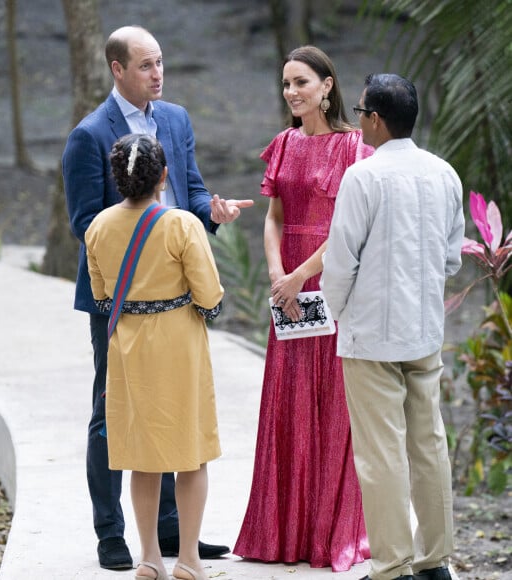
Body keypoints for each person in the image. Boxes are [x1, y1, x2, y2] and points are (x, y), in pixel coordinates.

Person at [63, 25, 252, 570]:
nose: (158, 74)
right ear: (117, 69)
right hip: (118, 300)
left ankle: (171, 535)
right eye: (145, 65)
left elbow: (189, 192)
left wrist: (208, 216)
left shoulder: (176, 120)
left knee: (172, 410)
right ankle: (111, 533)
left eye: (161, 62)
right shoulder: (89, 136)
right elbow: (84, 223)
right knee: (112, 412)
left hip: (177, 291)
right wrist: (141, 257)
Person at [233, 46, 372, 571]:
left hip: (327, 284)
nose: (291, 92)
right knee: (288, 398)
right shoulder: (285, 143)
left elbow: (346, 229)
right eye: (286, 83)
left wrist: (299, 275)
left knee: (332, 401)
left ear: (327, 86)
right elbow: (274, 216)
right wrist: (276, 273)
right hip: (287, 288)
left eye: (301, 83)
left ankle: (328, 533)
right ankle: (281, 533)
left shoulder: (354, 148)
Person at [321, 74, 464, 580]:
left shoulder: (364, 177)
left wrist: (338, 315)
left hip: (371, 336)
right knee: (428, 443)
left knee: (381, 453)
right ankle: (435, 562)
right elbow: (451, 262)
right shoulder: (445, 174)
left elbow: (340, 264)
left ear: (374, 120)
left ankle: (392, 567)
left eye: (359, 112)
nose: (358, 120)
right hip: (424, 331)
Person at [85, 133, 223, 580]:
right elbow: (210, 295)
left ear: (116, 178)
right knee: (190, 455)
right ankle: (187, 558)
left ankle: (148, 558)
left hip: (128, 349)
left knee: (142, 458)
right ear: (164, 176)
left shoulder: (98, 227)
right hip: (179, 346)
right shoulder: (182, 226)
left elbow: (102, 294)